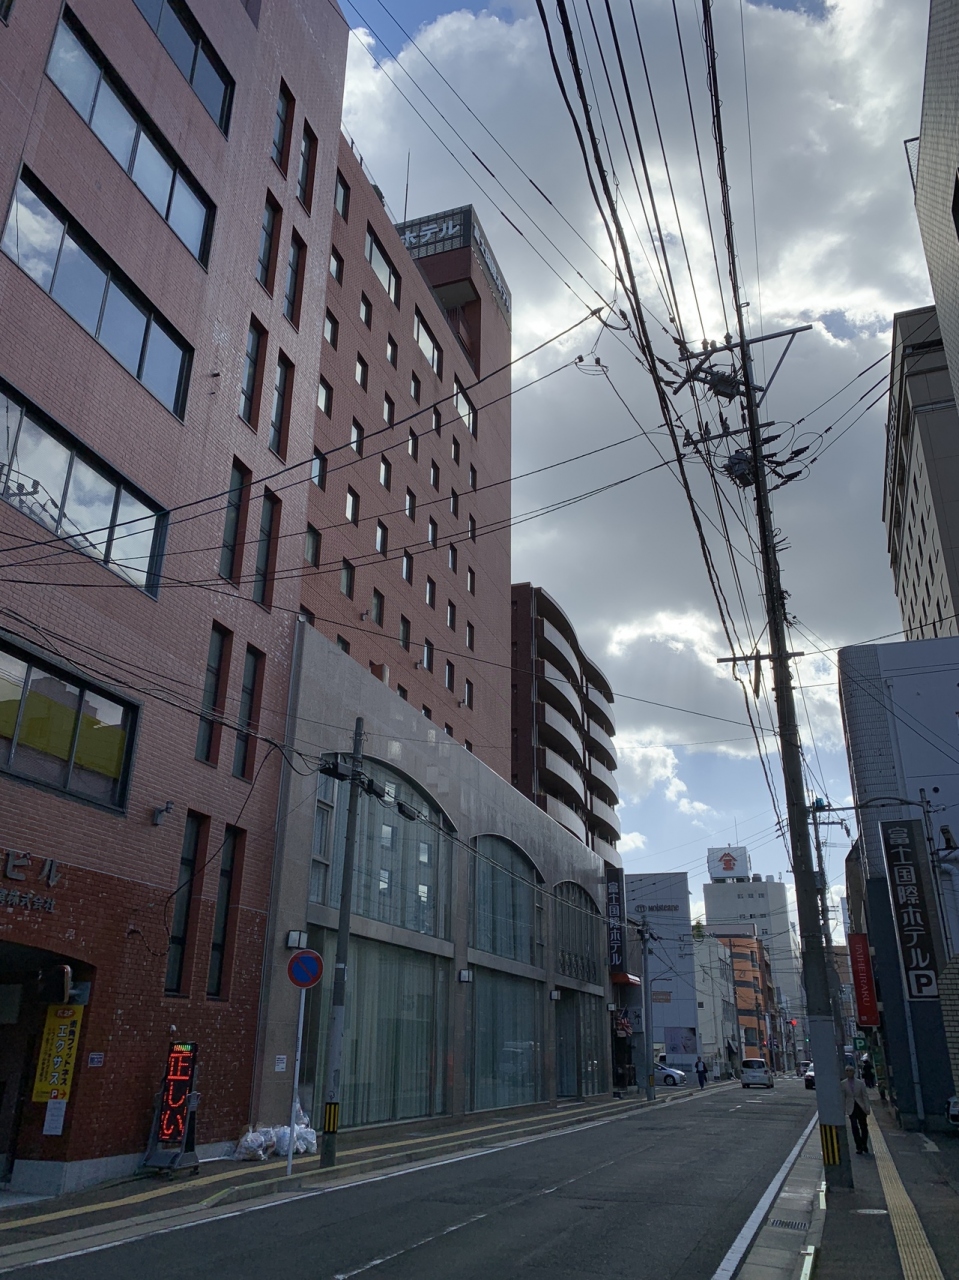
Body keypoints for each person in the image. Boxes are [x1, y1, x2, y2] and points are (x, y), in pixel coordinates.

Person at [842, 1064, 871, 1154]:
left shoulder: (860, 1083)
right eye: (847, 1071)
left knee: (863, 1126)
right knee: (854, 1127)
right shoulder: (843, 1083)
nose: (848, 1072)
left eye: (850, 1071)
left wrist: (867, 1107)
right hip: (851, 1107)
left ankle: (864, 1143)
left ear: (854, 1072)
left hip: (860, 1107)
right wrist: (843, 1109)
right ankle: (859, 1146)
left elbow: (865, 1096)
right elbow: (843, 1097)